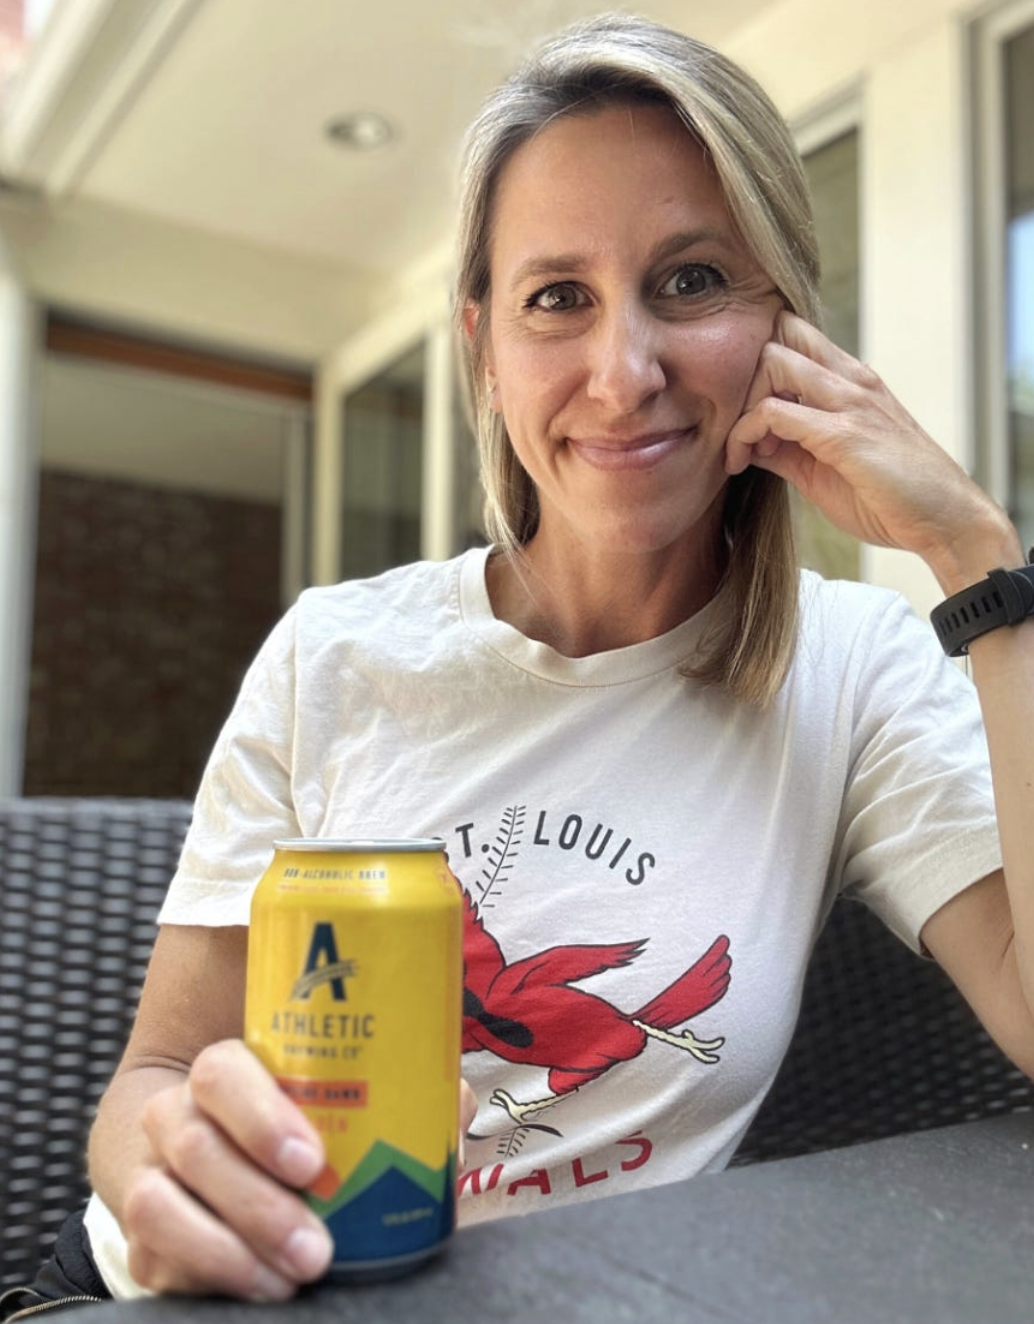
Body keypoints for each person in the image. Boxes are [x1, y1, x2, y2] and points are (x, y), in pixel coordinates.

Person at [10, 9, 1034, 1309]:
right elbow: (150, 1081)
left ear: (786, 329)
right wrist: (161, 1172)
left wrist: (978, 563)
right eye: (559, 298)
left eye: (690, 280)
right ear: (482, 350)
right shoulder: (335, 648)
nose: (623, 372)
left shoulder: (851, 669)